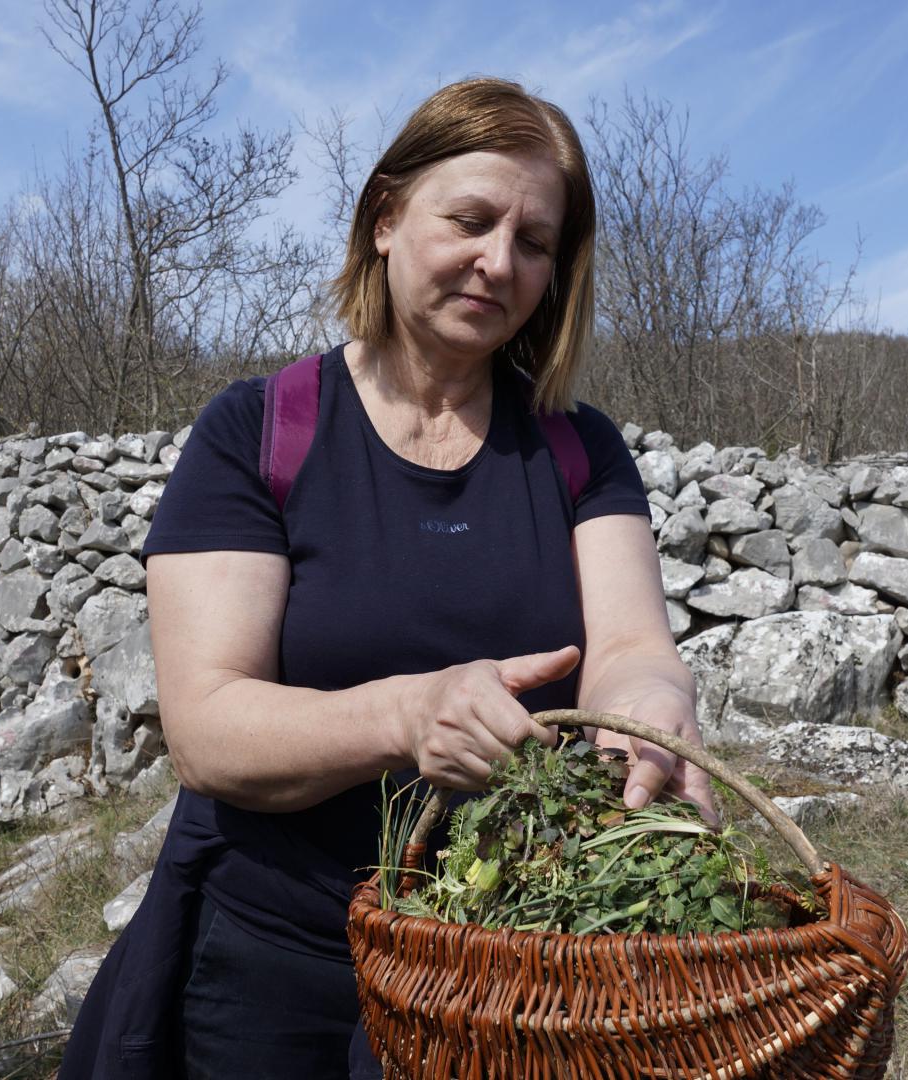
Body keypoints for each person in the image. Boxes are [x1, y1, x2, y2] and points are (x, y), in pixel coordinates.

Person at [61, 77, 713, 1079]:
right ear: (385, 218)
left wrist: (655, 716)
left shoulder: (580, 451)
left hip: (511, 961)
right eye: (472, 220)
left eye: (535, 242)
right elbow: (207, 728)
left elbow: (630, 650)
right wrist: (408, 718)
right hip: (277, 963)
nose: (500, 261)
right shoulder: (260, 433)